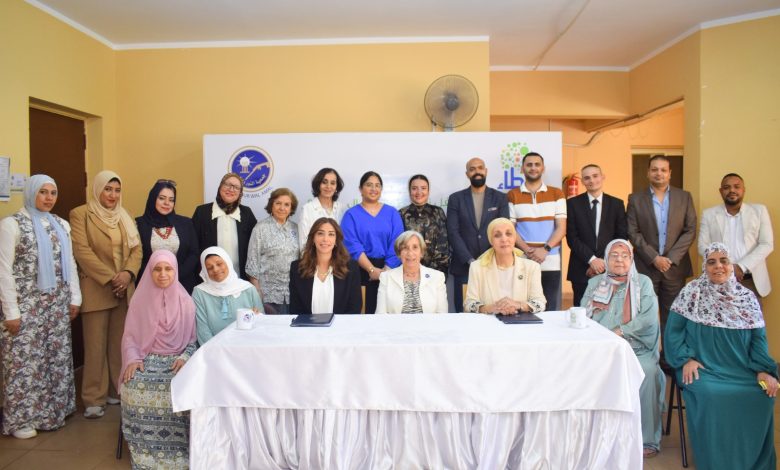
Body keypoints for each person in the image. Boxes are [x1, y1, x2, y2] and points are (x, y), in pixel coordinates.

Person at [664, 242, 778, 470]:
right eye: (712, 262)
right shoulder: (691, 293)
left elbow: (758, 340)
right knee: (712, 395)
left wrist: (763, 369)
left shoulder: (747, 297)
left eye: (724, 261)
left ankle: (752, 463)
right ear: (704, 267)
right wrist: (686, 359)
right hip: (703, 369)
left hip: (742, 370)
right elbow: (673, 332)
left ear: (731, 265)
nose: (718, 266)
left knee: (763, 393)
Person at [0, 175, 81, 439]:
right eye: (42, 192)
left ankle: (52, 413)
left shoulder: (61, 224)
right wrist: (11, 312)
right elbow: (3, 271)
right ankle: (22, 420)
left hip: (56, 305)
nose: (48, 198)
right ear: (30, 192)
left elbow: (70, 263)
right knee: (24, 362)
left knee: (54, 359)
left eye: (53, 192)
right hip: (26, 306)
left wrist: (75, 298)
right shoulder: (12, 225)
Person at [581, 239, 665, 458]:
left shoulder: (642, 283)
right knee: (584, 370)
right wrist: (602, 337)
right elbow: (583, 315)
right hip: (602, 349)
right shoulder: (595, 283)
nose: (620, 260)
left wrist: (620, 331)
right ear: (606, 259)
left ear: (631, 259)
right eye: (614, 255)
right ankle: (598, 436)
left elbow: (648, 320)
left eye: (625, 255)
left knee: (647, 372)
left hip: (636, 348)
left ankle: (647, 438)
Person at [70, 170, 142, 419]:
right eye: (108, 189)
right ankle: (93, 398)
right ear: (97, 189)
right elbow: (82, 251)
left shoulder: (124, 215)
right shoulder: (81, 214)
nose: (112, 195)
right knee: (95, 347)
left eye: (117, 190)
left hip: (123, 290)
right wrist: (113, 278)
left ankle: (115, 390)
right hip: (98, 287)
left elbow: (136, 250)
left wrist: (128, 274)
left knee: (118, 345)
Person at [120, 250, 196, 469]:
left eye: (168, 269)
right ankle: (145, 455)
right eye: (157, 269)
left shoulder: (186, 301)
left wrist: (185, 357)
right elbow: (130, 337)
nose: (163, 274)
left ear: (175, 271)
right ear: (149, 272)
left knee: (181, 385)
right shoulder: (139, 300)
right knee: (134, 383)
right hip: (146, 357)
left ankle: (180, 453)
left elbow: (193, 340)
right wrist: (132, 358)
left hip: (177, 359)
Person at [627, 155, 696, 328]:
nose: (659, 173)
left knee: (672, 319)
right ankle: (646, 347)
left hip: (674, 268)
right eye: (655, 170)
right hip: (646, 267)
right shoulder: (635, 199)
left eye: (663, 170)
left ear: (670, 173)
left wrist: (670, 258)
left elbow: (690, 230)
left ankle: (668, 348)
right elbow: (633, 232)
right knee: (643, 317)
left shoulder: (684, 197)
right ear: (648, 173)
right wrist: (654, 258)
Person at [447, 158, 510, 312]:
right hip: (464, 267)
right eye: (472, 169)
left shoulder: (500, 198)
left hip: (494, 266)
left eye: (480, 168)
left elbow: (503, 230)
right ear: (467, 174)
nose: (477, 172)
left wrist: (489, 260)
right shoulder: (456, 199)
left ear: (486, 171)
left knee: (494, 311)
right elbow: (453, 232)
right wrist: (470, 261)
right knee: (465, 312)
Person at [698, 173, 773, 300]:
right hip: (718, 280)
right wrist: (725, 267)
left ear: (743, 190)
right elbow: (702, 246)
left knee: (751, 313)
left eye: (736, 187)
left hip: (750, 280)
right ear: (721, 191)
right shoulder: (709, 214)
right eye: (726, 187)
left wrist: (741, 266)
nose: (732, 190)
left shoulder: (759, 211)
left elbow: (767, 244)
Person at [508, 152, 567, 311]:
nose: (533, 168)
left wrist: (545, 249)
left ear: (543, 168)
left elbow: (561, 228)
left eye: (537, 164)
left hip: (550, 259)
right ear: (522, 169)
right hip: (523, 259)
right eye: (529, 165)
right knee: (522, 307)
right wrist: (528, 251)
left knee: (549, 307)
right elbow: (511, 229)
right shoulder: (512, 195)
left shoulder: (557, 193)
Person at [341, 171, 404, 314]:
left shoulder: (392, 213)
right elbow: (352, 245)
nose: (373, 189)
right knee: (362, 312)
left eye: (377, 185)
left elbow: (398, 242)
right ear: (360, 189)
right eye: (369, 185)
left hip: (389, 270)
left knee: (388, 314)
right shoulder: (351, 215)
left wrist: (386, 271)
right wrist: (371, 270)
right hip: (360, 270)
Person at [566, 164, 628, 307]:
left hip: (609, 267)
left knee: (608, 310)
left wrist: (603, 261)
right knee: (582, 310)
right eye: (587, 178)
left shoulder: (617, 204)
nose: (592, 180)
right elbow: (572, 237)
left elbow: (621, 237)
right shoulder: (572, 204)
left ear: (602, 177)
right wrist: (592, 260)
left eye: (595, 176)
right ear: (583, 181)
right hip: (581, 268)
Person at [464, 218, 545, 314]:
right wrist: (489, 308)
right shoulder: (476, 267)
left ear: (514, 238)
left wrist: (518, 305)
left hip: (521, 322)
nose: (504, 239)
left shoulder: (532, 267)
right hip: (489, 321)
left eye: (508, 234)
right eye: (497, 235)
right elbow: (469, 303)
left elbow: (540, 303)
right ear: (491, 241)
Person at [135, 179, 200, 293]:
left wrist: (175, 275)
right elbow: (138, 256)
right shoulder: (139, 224)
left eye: (171, 200)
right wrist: (156, 276)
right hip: (150, 285)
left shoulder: (186, 223)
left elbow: (193, 253)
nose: (167, 203)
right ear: (153, 199)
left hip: (182, 284)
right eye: (162, 198)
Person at [289, 218, 362, 314]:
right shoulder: (297, 268)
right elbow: (295, 309)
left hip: (340, 323)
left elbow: (354, 308)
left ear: (336, 240)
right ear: (313, 238)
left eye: (331, 234)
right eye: (320, 233)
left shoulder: (351, 268)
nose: (325, 239)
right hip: (307, 323)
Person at [192, 173, 257, 280]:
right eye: (227, 184)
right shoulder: (202, 212)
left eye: (236, 187)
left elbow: (255, 247)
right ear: (220, 186)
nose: (231, 189)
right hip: (210, 279)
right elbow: (193, 246)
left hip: (239, 279)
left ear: (240, 193)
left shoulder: (247, 213)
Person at [193, 246, 263, 345]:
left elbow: (261, 323)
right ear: (205, 271)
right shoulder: (200, 292)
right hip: (213, 348)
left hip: (247, 346)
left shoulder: (248, 289)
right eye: (209, 268)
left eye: (219, 264)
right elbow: (203, 330)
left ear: (228, 262)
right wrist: (217, 350)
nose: (215, 269)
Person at [246, 188, 299, 314]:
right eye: (278, 203)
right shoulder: (260, 228)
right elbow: (252, 264)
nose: (282, 208)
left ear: (291, 208)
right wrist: (257, 295)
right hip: (269, 296)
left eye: (287, 204)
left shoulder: (296, 228)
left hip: (293, 294)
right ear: (271, 205)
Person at [375, 231, 448, 314]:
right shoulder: (386, 277)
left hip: (429, 323)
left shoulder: (437, 277)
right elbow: (380, 315)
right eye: (405, 248)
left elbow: (442, 315)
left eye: (415, 247)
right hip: (395, 323)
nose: (410, 253)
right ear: (399, 253)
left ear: (421, 252)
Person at [398, 174, 449, 276]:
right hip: (407, 272)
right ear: (409, 191)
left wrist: (435, 273)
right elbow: (400, 246)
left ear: (428, 191)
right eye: (414, 188)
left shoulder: (438, 212)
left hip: (436, 272)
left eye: (423, 188)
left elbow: (443, 245)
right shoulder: (401, 214)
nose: (419, 192)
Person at [298, 168, 346, 251]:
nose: (328, 186)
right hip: (314, 257)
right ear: (318, 185)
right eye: (324, 182)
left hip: (339, 257)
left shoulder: (343, 209)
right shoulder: (307, 209)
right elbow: (304, 243)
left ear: (336, 187)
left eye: (332, 183)